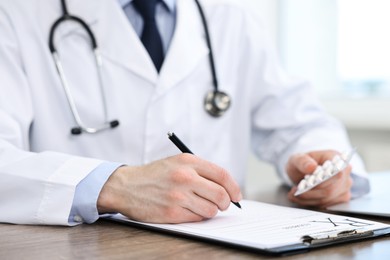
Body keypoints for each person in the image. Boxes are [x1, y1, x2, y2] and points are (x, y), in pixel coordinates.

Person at [0, 0, 369, 226]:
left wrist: (319, 165)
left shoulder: (230, 16)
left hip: (216, 243)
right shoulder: (16, 13)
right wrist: (114, 186)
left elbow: (303, 123)